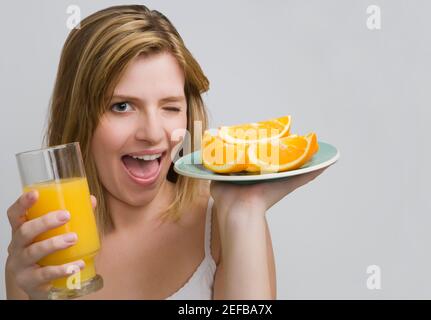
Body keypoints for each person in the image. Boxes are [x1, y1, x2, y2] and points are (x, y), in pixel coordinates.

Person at [5, 5, 330, 300]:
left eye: (170, 107)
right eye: (122, 106)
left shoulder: (221, 227)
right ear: (76, 115)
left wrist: (245, 213)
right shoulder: (42, 254)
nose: (152, 133)